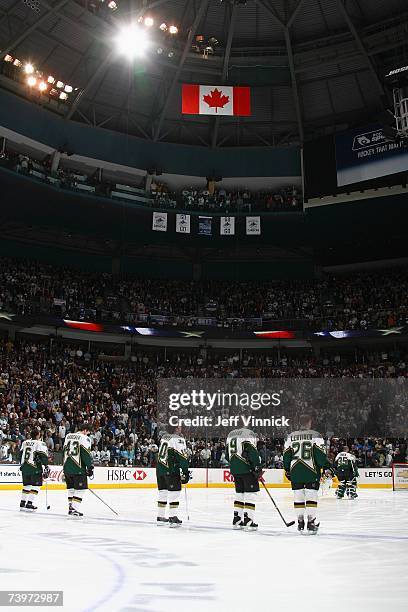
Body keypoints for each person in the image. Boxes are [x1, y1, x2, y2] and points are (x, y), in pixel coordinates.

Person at [283, 415, 332, 534]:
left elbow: (286, 456)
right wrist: (326, 466)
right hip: (311, 470)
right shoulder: (315, 435)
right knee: (311, 497)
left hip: (295, 470)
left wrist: (287, 469)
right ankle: (311, 523)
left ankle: (300, 523)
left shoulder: (291, 436)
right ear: (310, 422)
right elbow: (320, 454)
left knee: (298, 496)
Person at [225, 428, 262, 531]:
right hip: (246, 469)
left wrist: (236, 463)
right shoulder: (248, 433)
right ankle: (249, 521)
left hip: (235, 469)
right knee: (250, 495)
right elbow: (252, 451)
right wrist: (256, 465)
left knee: (239, 495)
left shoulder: (230, 433)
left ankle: (237, 520)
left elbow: (227, 455)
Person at [156, 432, 189, 527]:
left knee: (163, 492)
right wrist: (185, 472)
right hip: (170, 469)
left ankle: (160, 516)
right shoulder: (178, 440)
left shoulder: (164, 439)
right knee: (175, 492)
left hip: (159, 469)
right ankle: (172, 516)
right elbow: (182, 457)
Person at [63, 423, 93, 517]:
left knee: (71, 489)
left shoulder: (68, 436)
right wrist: (90, 466)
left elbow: (63, 450)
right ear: (85, 430)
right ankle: (74, 509)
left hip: (67, 467)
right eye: (87, 432)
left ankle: (70, 507)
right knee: (80, 489)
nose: (87, 434)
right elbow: (85, 453)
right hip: (78, 468)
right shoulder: (85, 438)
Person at [20, 429, 49, 511]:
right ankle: (29, 503)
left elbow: (20, 454)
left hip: (25, 467)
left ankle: (22, 502)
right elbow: (43, 455)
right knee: (36, 486)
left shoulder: (25, 442)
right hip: (34, 467)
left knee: (27, 485)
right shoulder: (40, 443)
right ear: (38, 435)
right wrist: (46, 465)